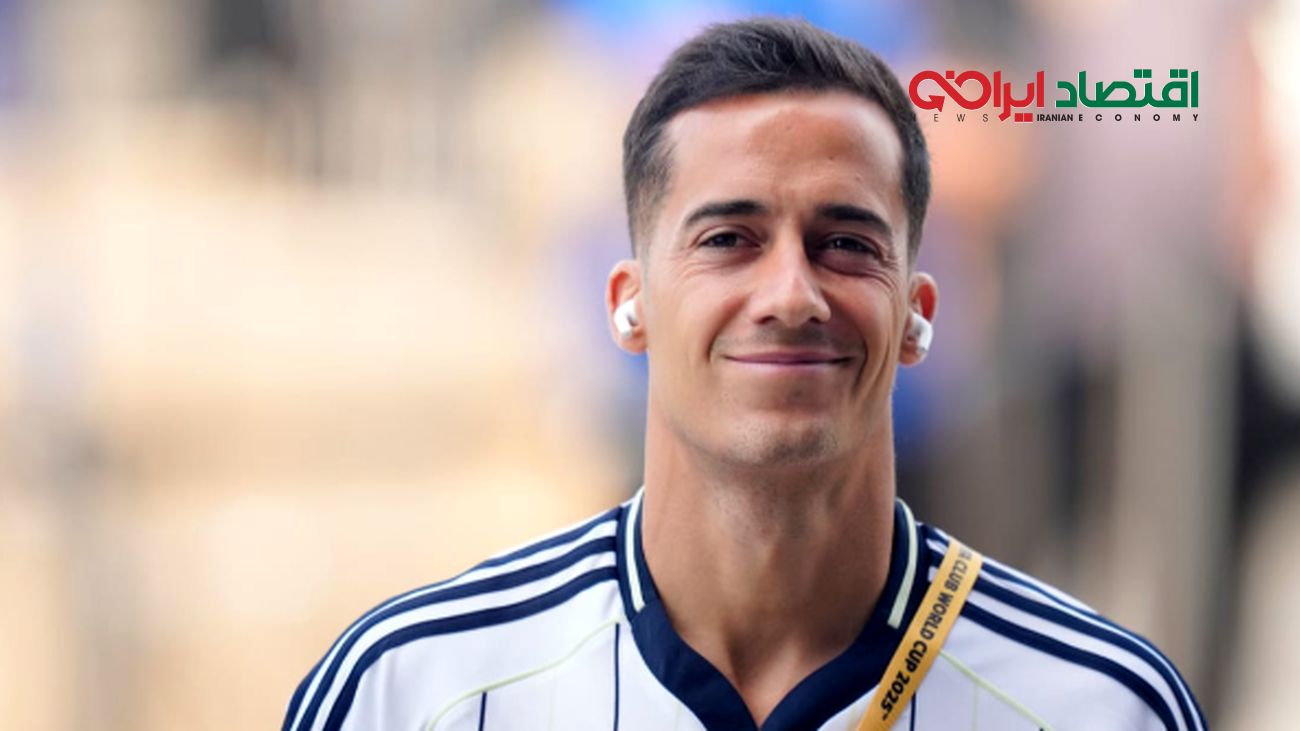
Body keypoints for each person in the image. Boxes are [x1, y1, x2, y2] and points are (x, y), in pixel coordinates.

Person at [282, 18, 1204, 731]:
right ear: (629, 303)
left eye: (846, 243)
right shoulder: (409, 690)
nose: (792, 293)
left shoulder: (1103, 704)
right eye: (729, 239)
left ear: (919, 313)